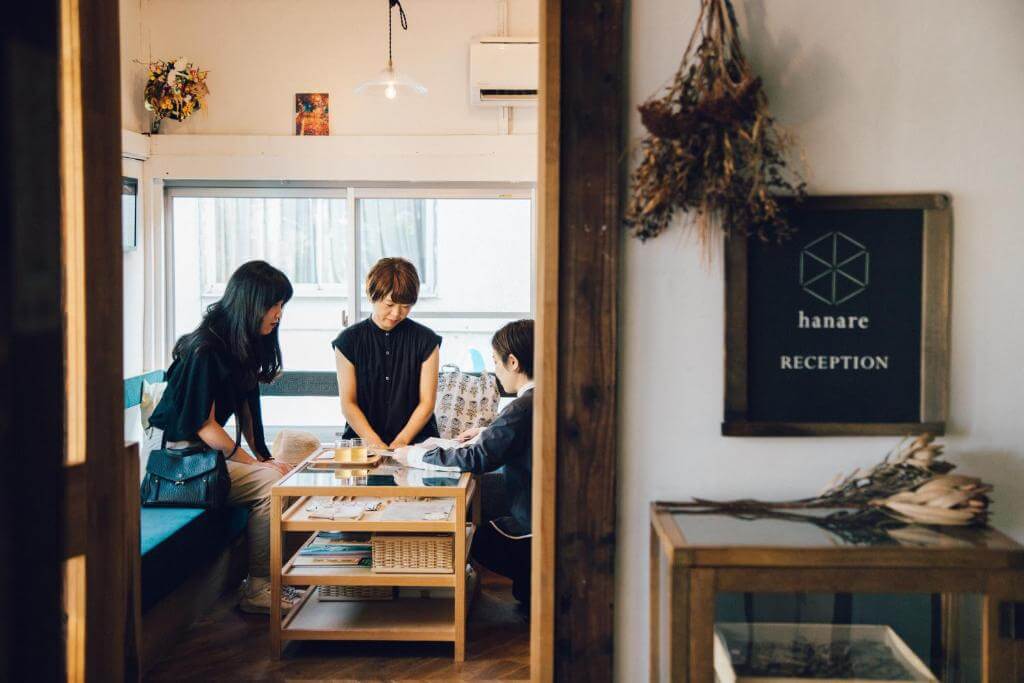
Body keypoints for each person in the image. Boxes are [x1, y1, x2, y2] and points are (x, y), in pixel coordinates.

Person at [148, 260, 301, 615]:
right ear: (251, 303)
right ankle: (260, 588)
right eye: (273, 305)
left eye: (281, 306)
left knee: (280, 470)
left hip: (206, 457)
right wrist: (257, 465)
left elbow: (248, 409)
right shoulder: (206, 349)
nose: (278, 314)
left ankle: (280, 579)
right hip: (180, 465)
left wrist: (263, 456)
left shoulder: (241, 344)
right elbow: (204, 426)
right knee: (270, 485)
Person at [397, 319, 534, 605]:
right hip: (541, 514)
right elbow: (518, 436)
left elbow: (476, 458)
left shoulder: (522, 407)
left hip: (532, 524)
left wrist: (415, 455)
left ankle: (532, 588)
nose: (495, 372)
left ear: (513, 362)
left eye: (495, 363)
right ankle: (529, 590)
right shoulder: (542, 399)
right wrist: (487, 432)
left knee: (476, 540)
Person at [332, 257, 441, 448]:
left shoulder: (427, 341)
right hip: (362, 443)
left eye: (406, 306)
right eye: (390, 304)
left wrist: (402, 441)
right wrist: (374, 442)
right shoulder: (348, 342)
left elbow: (427, 403)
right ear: (372, 295)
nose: (397, 313)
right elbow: (348, 403)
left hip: (416, 443)